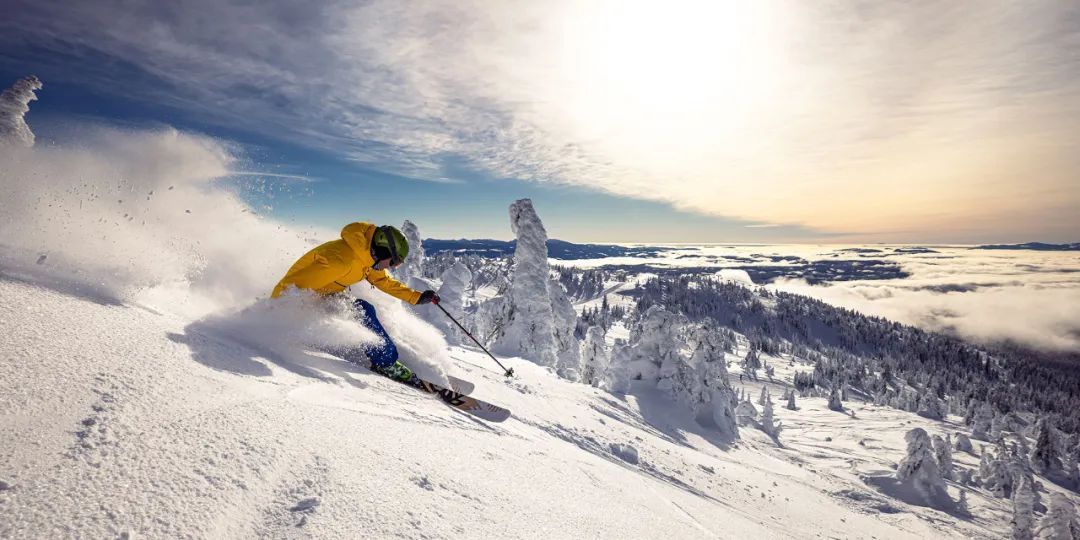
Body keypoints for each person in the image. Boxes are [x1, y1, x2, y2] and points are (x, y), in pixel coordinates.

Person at [271, 222, 439, 382]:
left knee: (364, 309)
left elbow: (384, 281)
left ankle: (383, 358)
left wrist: (416, 297)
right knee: (364, 311)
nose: (391, 267)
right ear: (383, 251)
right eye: (393, 262)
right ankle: (385, 364)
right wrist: (273, 313)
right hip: (307, 301)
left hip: (327, 295)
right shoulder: (340, 261)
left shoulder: (366, 258)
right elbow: (289, 286)